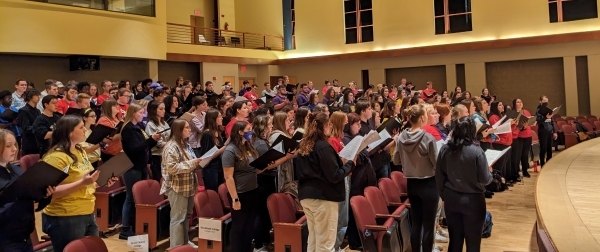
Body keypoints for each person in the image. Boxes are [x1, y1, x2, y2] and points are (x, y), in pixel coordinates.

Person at [41, 115, 118, 252]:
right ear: (69, 132)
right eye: (81, 127)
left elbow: (87, 183)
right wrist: (82, 183)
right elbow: (49, 193)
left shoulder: (80, 150)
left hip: (87, 211)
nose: (85, 130)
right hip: (65, 216)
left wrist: (102, 182)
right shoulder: (55, 157)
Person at [294, 112, 356, 252]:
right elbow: (334, 175)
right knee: (326, 243)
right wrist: (350, 164)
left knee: (314, 239)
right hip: (323, 197)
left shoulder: (304, 145)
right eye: (329, 124)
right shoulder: (323, 146)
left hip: (307, 196)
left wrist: (341, 163)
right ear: (326, 125)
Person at [436, 116, 493, 252]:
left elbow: (439, 176)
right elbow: (485, 179)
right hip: (473, 201)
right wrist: (489, 172)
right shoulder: (477, 151)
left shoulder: (445, 149)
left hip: (451, 199)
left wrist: (444, 196)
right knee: (473, 243)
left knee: (455, 241)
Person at [0, 129, 54, 252]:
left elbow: (33, 201)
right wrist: (20, 202)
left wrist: (44, 196)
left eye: (15, 144)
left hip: (24, 235)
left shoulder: (17, 170)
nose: (14, 149)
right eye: (8, 146)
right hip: (5, 239)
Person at [394, 104, 439, 252]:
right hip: (428, 184)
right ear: (421, 118)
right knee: (428, 225)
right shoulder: (428, 138)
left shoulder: (401, 137)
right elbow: (436, 163)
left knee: (416, 223)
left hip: (412, 184)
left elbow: (396, 161)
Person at [222, 121, 267, 252]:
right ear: (240, 132)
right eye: (248, 130)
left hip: (253, 190)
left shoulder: (248, 147)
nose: (251, 132)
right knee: (239, 227)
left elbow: (254, 170)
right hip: (240, 194)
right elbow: (228, 177)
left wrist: (266, 163)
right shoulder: (230, 151)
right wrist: (235, 199)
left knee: (249, 226)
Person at [119, 103, 161, 239]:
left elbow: (145, 146)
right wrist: (150, 140)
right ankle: (125, 228)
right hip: (132, 167)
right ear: (132, 113)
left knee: (139, 198)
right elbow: (134, 149)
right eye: (140, 113)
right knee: (130, 197)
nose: (143, 115)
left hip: (141, 165)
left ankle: (135, 224)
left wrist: (154, 140)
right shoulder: (128, 129)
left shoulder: (140, 126)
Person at [161, 119, 202, 249]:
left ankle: (184, 242)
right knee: (178, 218)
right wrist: (193, 163)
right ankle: (176, 247)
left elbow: (192, 161)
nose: (189, 130)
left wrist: (199, 162)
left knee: (186, 216)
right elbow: (172, 168)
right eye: (187, 128)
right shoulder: (171, 146)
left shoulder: (185, 144)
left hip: (188, 185)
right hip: (177, 187)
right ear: (179, 130)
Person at [198, 109, 227, 191]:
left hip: (219, 166)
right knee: (213, 192)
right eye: (219, 117)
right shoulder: (207, 134)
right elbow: (207, 156)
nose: (222, 118)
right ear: (213, 119)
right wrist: (224, 148)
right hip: (211, 169)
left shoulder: (217, 131)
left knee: (221, 190)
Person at [145, 100, 171, 182]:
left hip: (166, 155)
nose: (164, 111)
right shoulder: (150, 125)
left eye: (164, 109)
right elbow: (158, 144)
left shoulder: (164, 123)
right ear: (153, 110)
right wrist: (172, 143)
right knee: (160, 180)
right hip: (157, 157)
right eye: (161, 109)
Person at [512, 98, 534, 178]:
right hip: (519, 136)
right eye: (518, 102)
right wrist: (523, 127)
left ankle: (525, 171)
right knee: (518, 155)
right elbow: (516, 127)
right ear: (514, 104)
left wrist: (532, 123)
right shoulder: (514, 114)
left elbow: (528, 122)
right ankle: (517, 171)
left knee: (525, 155)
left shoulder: (526, 112)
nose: (520, 103)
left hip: (528, 136)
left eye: (521, 101)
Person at [535, 95, 557, 167]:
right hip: (542, 131)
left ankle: (549, 163)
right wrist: (545, 117)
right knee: (543, 148)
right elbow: (538, 121)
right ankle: (542, 164)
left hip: (549, 130)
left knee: (549, 148)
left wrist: (555, 132)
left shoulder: (549, 110)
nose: (545, 103)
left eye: (546, 102)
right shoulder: (538, 110)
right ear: (540, 101)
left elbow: (552, 121)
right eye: (544, 102)